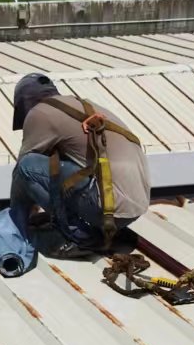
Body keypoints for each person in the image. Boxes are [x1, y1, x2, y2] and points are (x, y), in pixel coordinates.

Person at [9, 72, 150, 252]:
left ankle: (76, 233)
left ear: (25, 103)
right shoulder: (83, 105)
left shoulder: (40, 112)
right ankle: (85, 225)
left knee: (26, 167)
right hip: (134, 208)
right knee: (54, 162)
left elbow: (22, 172)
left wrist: (16, 219)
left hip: (107, 208)